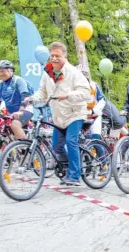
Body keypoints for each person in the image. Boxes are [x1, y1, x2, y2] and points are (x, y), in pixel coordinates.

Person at [27, 42, 90, 186]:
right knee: (56, 146)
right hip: (58, 116)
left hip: (75, 113)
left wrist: (67, 95)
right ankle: (69, 168)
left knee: (71, 141)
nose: (54, 58)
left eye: (58, 55)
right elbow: (41, 92)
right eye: (52, 55)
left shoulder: (73, 73)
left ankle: (75, 176)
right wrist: (32, 98)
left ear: (64, 56)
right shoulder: (47, 73)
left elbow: (85, 92)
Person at [0, 60, 33, 140]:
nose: (0, 74)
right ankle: (14, 149)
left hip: (25, 109)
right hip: (11, 112)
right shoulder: (1, 83)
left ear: (11, 70)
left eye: (2, 71)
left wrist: (21, 111)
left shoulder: (18, 80)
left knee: (15, 125)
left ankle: (26, 150)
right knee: (7, 130)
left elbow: (25, 96)